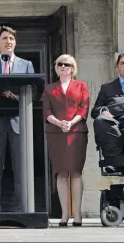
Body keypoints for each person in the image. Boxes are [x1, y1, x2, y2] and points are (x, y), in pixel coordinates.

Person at [0, 25, 34, 212]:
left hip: (19, 121)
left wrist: (17, 98)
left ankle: (23, 208)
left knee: (21, 168)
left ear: (15, 42)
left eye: (11, 39)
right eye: (4, 38)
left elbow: (32, 93)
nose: (8, 42)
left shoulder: (26, 64)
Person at [42, 54, 89, 227]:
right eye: (60, 64)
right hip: (56, 132)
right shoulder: (49, 88)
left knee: (76, 172)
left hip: (76, 132)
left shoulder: (81, 86)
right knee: (60, 173)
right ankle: (64, 214)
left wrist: (70, 122)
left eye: (67, 64)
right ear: (56, 67)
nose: (63, 67)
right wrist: (59, 122)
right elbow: (46, 111)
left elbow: (84, 108)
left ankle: (77, 214)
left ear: (73, 68)